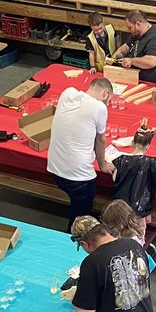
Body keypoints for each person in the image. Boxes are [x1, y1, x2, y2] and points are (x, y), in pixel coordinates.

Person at [47, 76, 114, 230]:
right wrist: (102, 164)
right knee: (81, 216)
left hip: (55, 168)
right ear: (105, 93)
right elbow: (101, 140)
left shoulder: (67, 93)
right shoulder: (99, 107)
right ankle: (75, 236)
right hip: (77, 178)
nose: (108, 105)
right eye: (109, 100)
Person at [108, 121, 156, 225]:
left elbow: (115, 178)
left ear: (132, 143)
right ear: (148, 146)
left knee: (120, 230)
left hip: (121, 206)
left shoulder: (122, 159)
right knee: (138, 233)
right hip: (139, 208)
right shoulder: (150, 162)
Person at [110, 10, 156, 84]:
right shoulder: (136, 33)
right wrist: (112, 60)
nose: (129, 30)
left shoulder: (155, 38)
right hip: (139, 80)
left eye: (130, 28)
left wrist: (132, 61)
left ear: (138, 25)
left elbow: (151, 62)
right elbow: (125, 48)